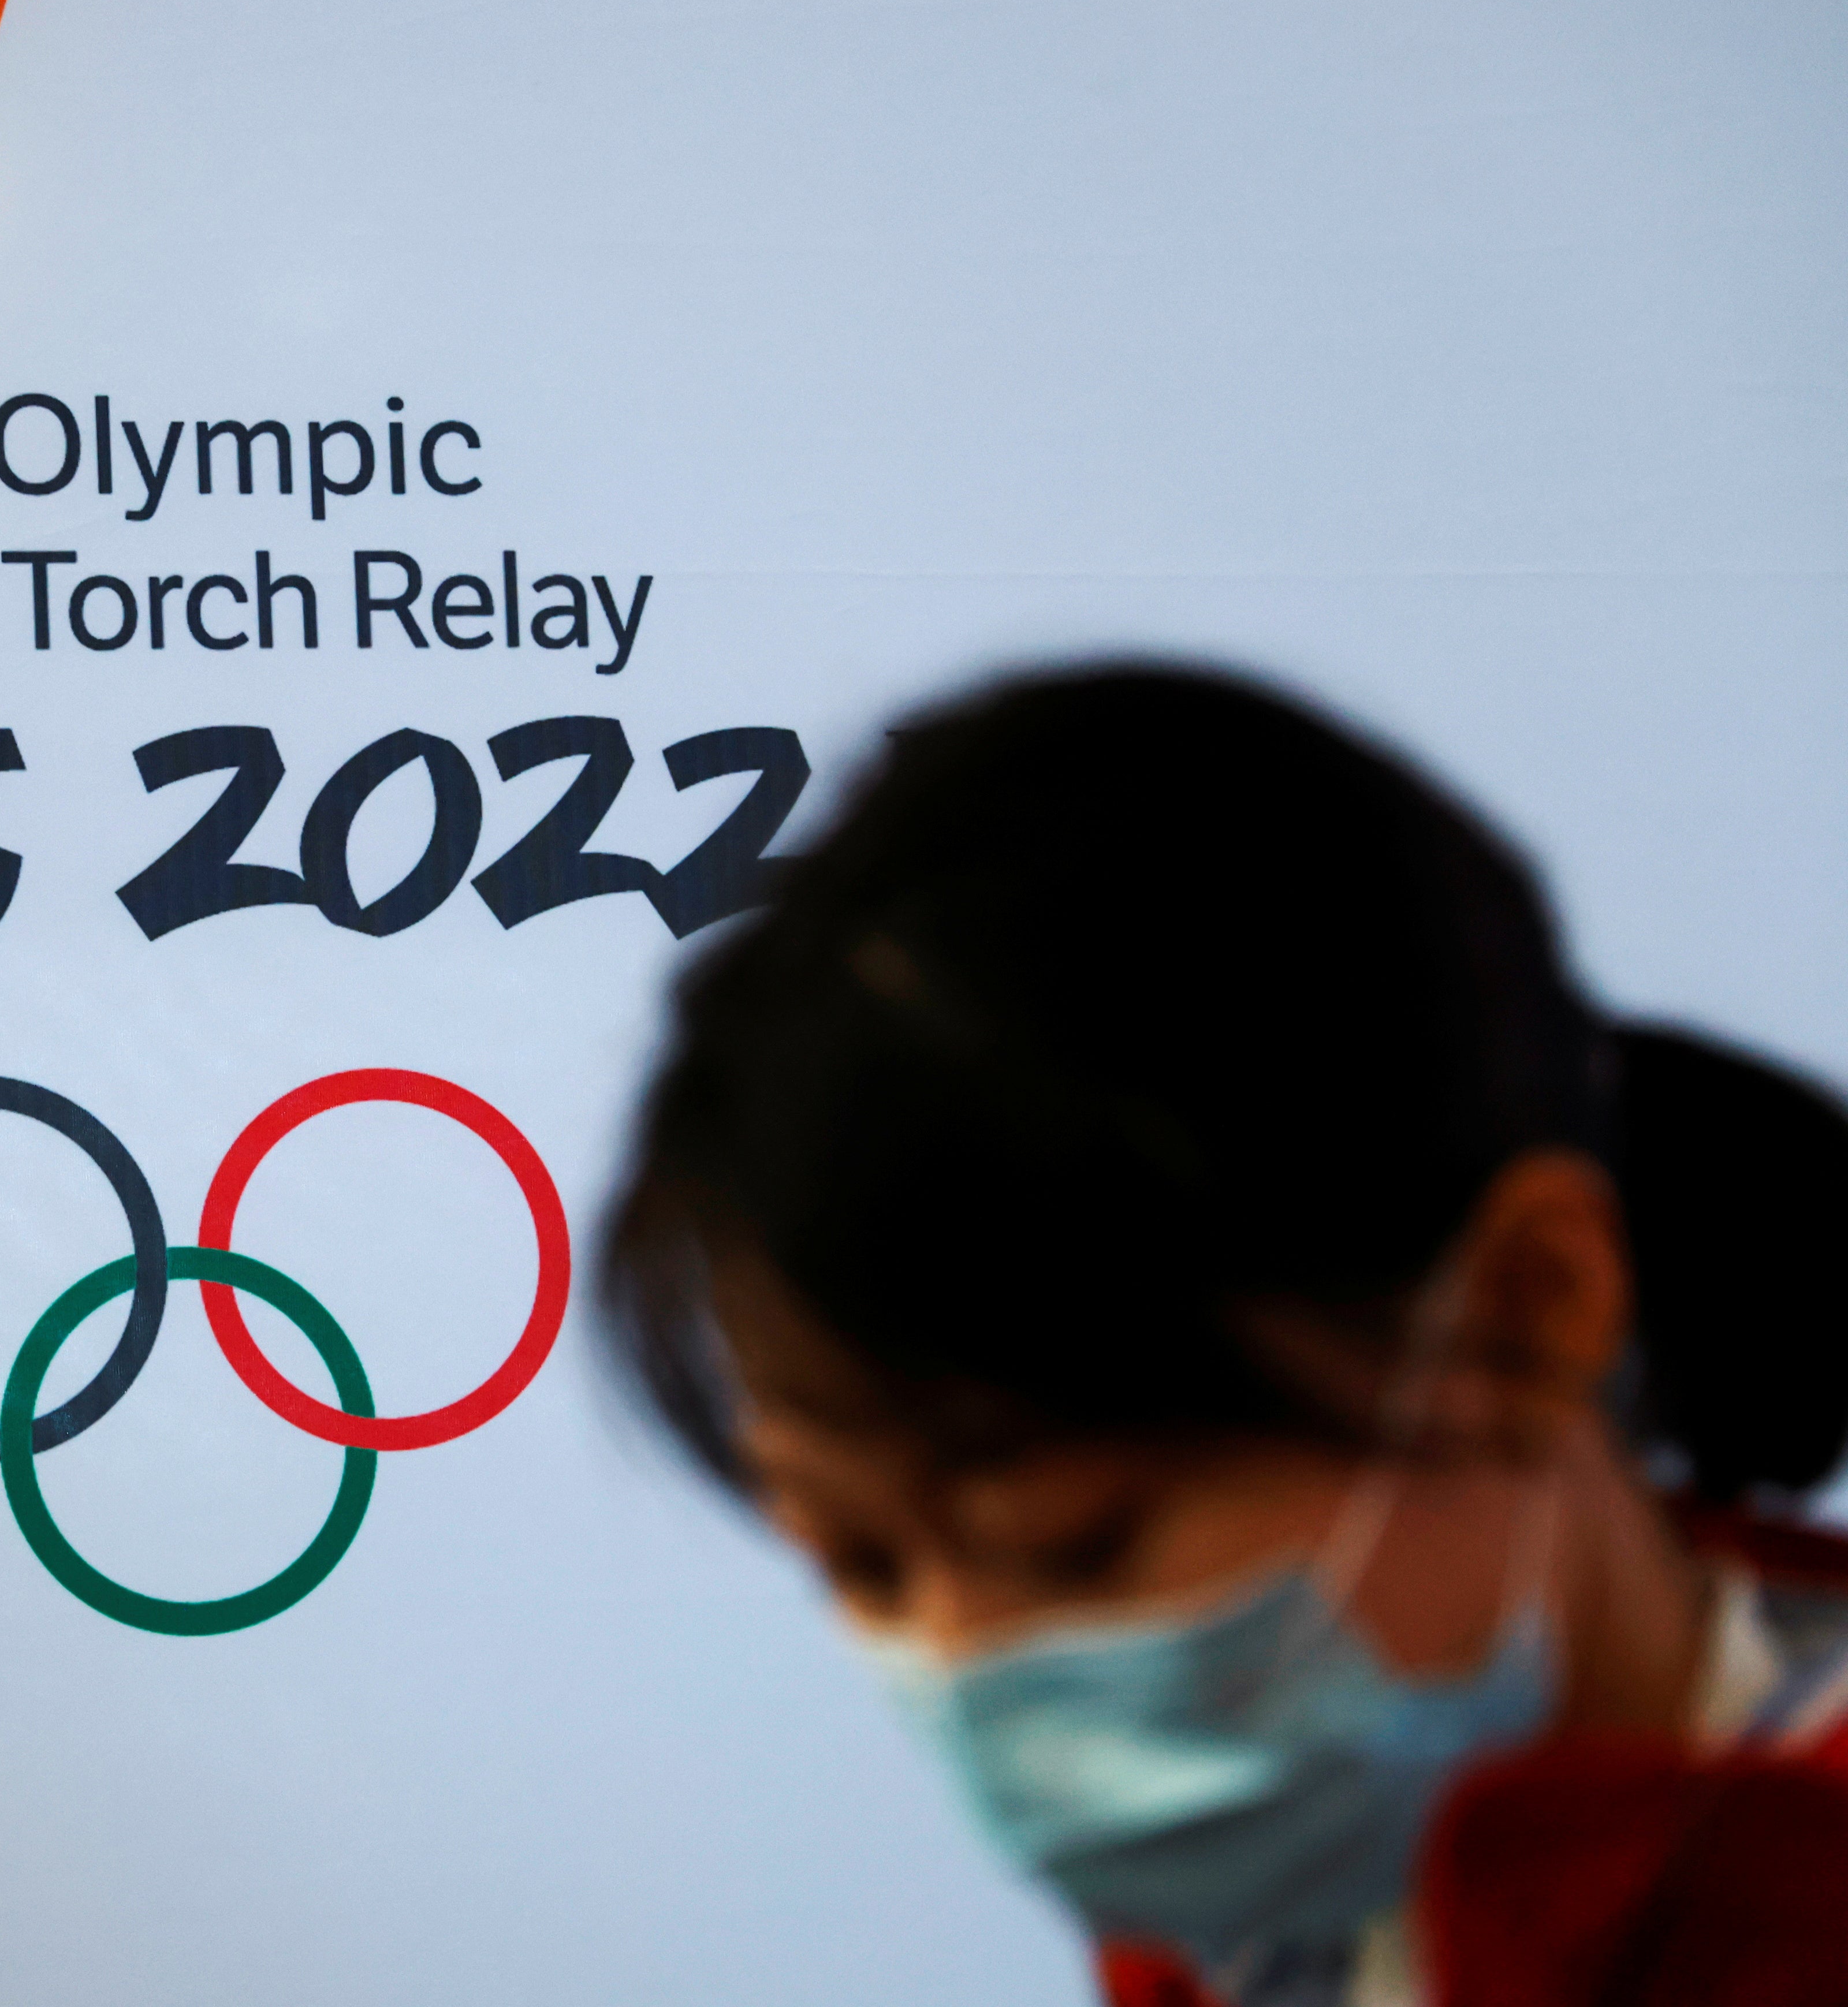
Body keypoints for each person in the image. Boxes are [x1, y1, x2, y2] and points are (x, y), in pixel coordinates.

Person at [603, 665, 1848, 2007]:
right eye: (861, 1564)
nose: (976, 1668)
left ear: (1526, 1312)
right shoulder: (1264, 1913)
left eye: (1082, 1541)